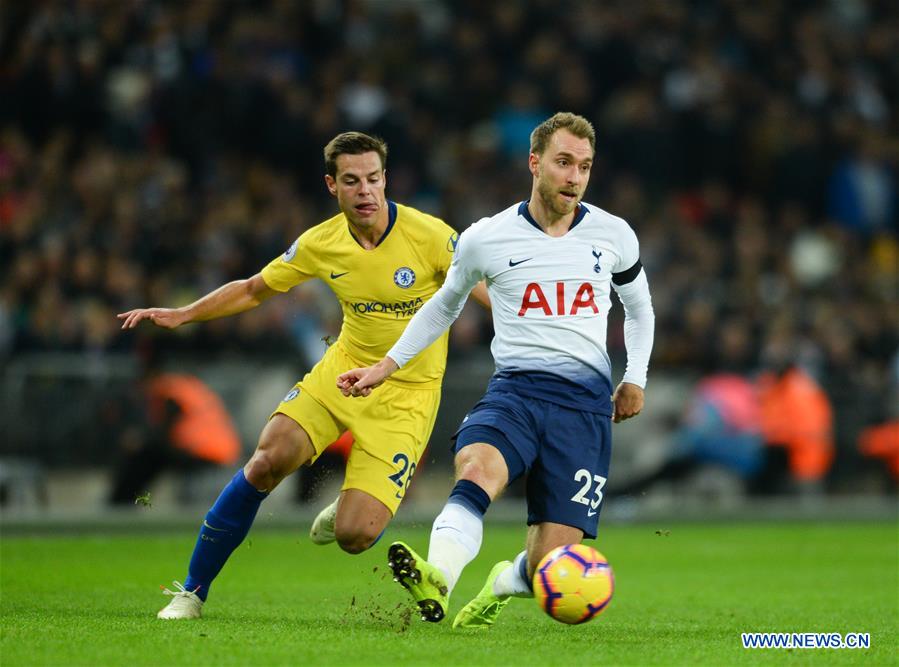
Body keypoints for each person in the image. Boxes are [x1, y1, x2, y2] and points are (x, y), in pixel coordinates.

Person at [118, 131, 489, 619]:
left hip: (408, 395)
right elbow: (254, 289)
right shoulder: (321, 242)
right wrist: (184, 314)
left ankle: (346, 510)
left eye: (373, 179)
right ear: (332, 185)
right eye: (351, 181)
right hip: (344, 373)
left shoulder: (432, 236)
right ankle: (191, 592)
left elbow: (488, 292)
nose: (365, 191)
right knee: (266, 461)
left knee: (356, 535)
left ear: (386, 179)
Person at [338, 112, 655, 627]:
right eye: (563, 162)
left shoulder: (614, 234)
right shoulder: (486, 238)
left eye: (584, 166)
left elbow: (639, 308)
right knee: (477, 470)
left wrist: (635, 376)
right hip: (516, 394)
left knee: (549, 569)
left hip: (584, 409)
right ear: (535, 163)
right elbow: (444, 306)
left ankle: (504, 581)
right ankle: (438, 576)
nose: (574, 177)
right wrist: (386, 365)